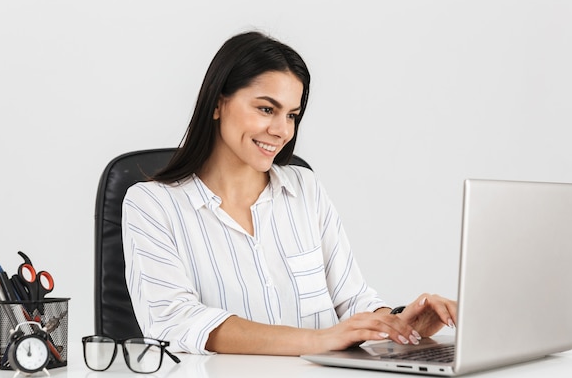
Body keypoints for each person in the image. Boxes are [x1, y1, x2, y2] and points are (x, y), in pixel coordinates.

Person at [122, 31, 457, 356]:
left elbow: (351, 300)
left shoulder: (304, 189)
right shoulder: (152, 205)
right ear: (218, 104)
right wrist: (318, 341)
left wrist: (399, 324)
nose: (281, 130)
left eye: (292, 115)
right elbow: (176, 321)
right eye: (266, 109)